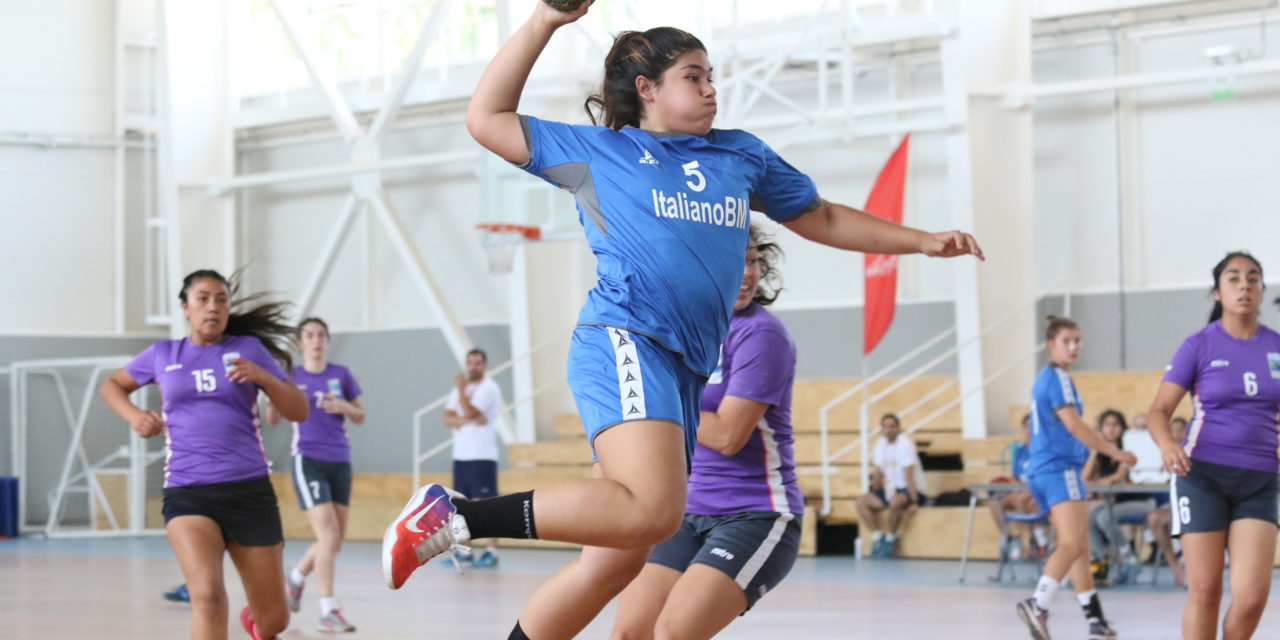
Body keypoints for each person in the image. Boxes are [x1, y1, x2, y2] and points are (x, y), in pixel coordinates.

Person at [383, 5, 983, 640]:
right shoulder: (600, 153)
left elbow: (824, 217)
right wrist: (544, 21)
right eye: (694, 77)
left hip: (685, 368)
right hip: (626, 338)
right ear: (647, 89)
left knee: (615, 561)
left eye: (712, 77)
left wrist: (919, 241)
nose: (711, 90)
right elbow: (486, 119)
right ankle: (453, 518)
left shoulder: (739, 155)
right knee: (655, 512)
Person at [609, 226, 802, 640]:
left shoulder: (759, 334)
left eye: (752, 260)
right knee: (629, 634)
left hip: (755, 514)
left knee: (673, 633)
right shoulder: (684, 331)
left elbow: (729, 435)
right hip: (685, 511)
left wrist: (660, 387)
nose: (748, 273)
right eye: (735, 260)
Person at [99, 270, 308, 640]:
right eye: (203, 298)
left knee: (273, 621)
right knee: (208, 598)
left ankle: (256, 622)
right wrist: (134, 416)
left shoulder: (248, 350)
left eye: (221, 299)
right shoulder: (164, 354)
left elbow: (299, 411)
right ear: (186, 307)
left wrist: (266, 378)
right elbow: (113, 385)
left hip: (249, 492)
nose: (213, 306)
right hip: (188, 491)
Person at [1147, 252, 1280, 639]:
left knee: (1252, 597)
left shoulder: (1276, 346)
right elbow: (1158, 411)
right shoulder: (1199, 346)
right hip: (1201, 476)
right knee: (1205, 591)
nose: (1244, 286)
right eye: (1234, 278)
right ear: (1217, 293)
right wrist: (1168, 444)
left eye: (1253, 279)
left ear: (1261, 290)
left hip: (1259, 481)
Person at [1016, 316, 1135, 640]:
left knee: (1078, 546)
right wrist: (1115, 452)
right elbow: (1074, 426)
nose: (1073, 346)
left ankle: (1095, 621)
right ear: (1050, 345)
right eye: (1066, 340)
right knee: (1071, 544)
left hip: (1042, 471)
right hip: (1060, 469)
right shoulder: (1058, 377)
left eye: (1077, 340)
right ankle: (1037, 604)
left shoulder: (1044, 379)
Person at [266, 317, 365, 633]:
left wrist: (344, 406)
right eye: (309, 335)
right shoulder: (291, 376)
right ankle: (328, 609)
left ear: (327, 340)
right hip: (308, 459)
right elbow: (272, 419)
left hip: (340, 460)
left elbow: (360, 415)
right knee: (329, 537)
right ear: (300, 343)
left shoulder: (341, 374)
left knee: (334, 542)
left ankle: (295, 578)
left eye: (321, 334)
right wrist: (271, 392)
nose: (316, 340)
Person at [443, 348, 504, 568]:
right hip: (462, 455)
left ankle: (491, 551)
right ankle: (465, 551)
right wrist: (468, 419)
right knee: (460, 505)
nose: (472, 367)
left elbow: (468, 411)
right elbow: (447, 418)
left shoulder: (489, 388)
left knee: (487, 505)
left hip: (482, 455)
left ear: (484, 365)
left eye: (477, 363)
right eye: (469, 363)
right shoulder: (463, 388)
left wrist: (461, 392)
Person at [1081, 409, 1148, 584]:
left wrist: (1100, 482)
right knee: (1090, 516)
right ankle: (1101, 559)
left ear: (1122, 428)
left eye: (1115, 425)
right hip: (1115, 503)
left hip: (1140, 501)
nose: (1111, 429)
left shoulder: (1129, 449)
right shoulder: (1101, 455)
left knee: (1104, 516)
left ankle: (1129, 558)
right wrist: (1095, 449)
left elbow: (1118, 475)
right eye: (1107, 425)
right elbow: (1085, 479)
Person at [855, 413, 925, 558]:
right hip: (891, 489)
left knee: (895, 502)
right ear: (881, 429)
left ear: (898, 428)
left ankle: (891, 539)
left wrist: (915, 501)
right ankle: (877, 537)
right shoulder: (880, 444)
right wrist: (875, 491)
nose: (889, 430)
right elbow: (879, 472)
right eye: (885, 427)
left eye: (892, 426)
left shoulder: (905, 444)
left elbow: (908, 475)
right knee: (862, 502)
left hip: (910, 489)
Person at [989, 414, 1043, 562]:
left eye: (1033, 426)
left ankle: (1035, 541)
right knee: (995, 501)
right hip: (1020, 489)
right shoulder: (1020, 450)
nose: (1030, 430)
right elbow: (1016, 476)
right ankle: (1008, 536)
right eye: (1027, 426)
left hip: (1037, 491)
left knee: (1023, 499)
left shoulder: (1044, 450)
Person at [1143, 417, 1187, 586]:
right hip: (1171, 504)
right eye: (1173, 430)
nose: (1176, 434)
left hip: (1194, 502)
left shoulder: (1195, 450)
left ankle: (1189, 563)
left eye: (1180, 429)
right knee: (1154, 518)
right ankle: (1175, 565)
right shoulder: (1160, 452)